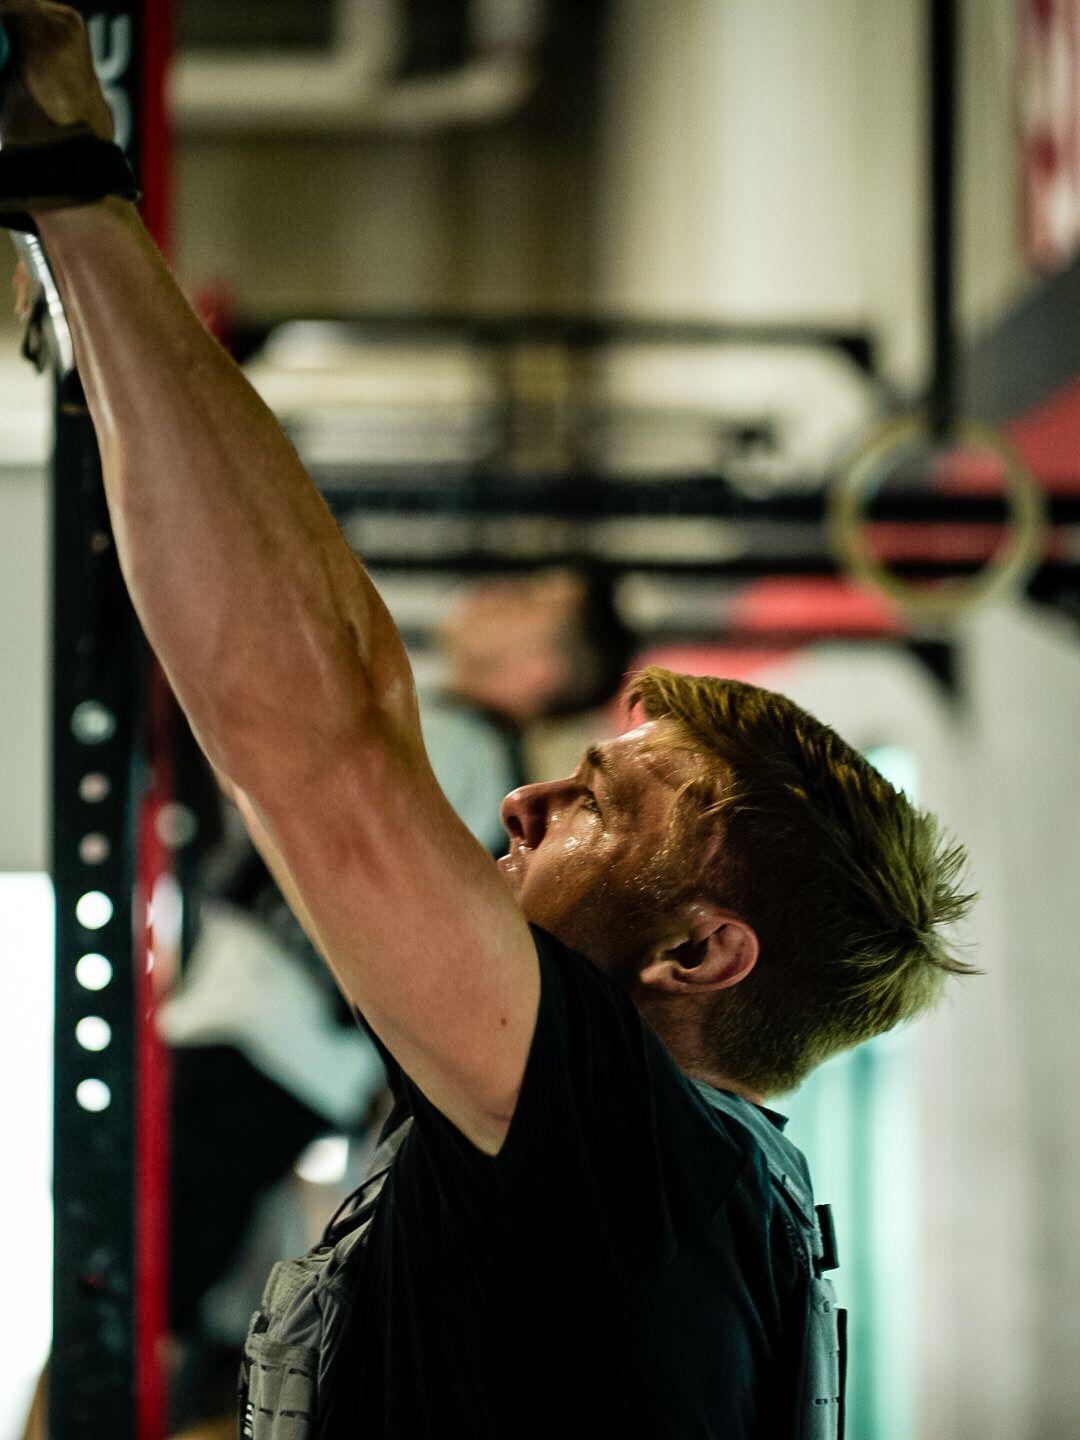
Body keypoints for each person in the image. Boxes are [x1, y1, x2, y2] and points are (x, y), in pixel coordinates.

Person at [1, 7, 975, 1437]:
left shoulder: (629, 1164)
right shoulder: (691, 1205)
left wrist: (76, 183)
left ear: (700, 950)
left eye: (597, 806)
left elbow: (322, 748)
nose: (522, 808)